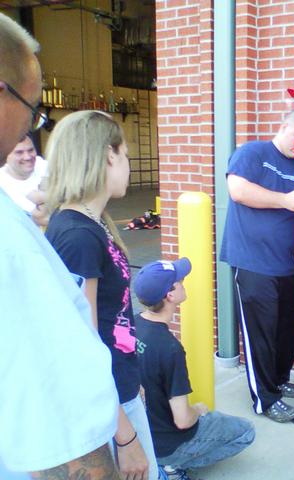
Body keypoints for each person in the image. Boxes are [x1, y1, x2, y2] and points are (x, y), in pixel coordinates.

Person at [0, 12, 120, 480]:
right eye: (33, 110)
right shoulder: (50, 239)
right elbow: (58, 394)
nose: (30, 130)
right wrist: (122, 440)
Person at [44, 110, 157, 479]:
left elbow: (112, 318)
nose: (127, 164)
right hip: (108, 406)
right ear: (109, 155)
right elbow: (83, 345)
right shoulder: (78, 235)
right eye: (125, 155)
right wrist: (125, 436)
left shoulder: (91, 224)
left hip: (119, 389)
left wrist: (130, 379)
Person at [220, 111, 294, 423]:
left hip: (289, 264)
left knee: (286, 328)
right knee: (261, 333)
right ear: (284, 126)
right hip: (253, 260)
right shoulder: (253, 153)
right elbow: (238, 191)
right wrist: (285, 200)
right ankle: (266, 399)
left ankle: (280, 379)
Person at [133, 258, 255, 480]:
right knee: (246, 432)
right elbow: (183, 420)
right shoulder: (169, 348)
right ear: (170, 295)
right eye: (180, 280)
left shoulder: (132, 325)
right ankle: (172, 466)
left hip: (140, 436)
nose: (183, 281)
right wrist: (198, 410)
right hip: (168, 443)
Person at [0, 134, 47, 215]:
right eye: (19, 152)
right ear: (6, 156)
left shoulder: (44, 166)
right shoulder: (2, 184)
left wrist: (43, 197)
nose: (27, 157)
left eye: (31, 150)